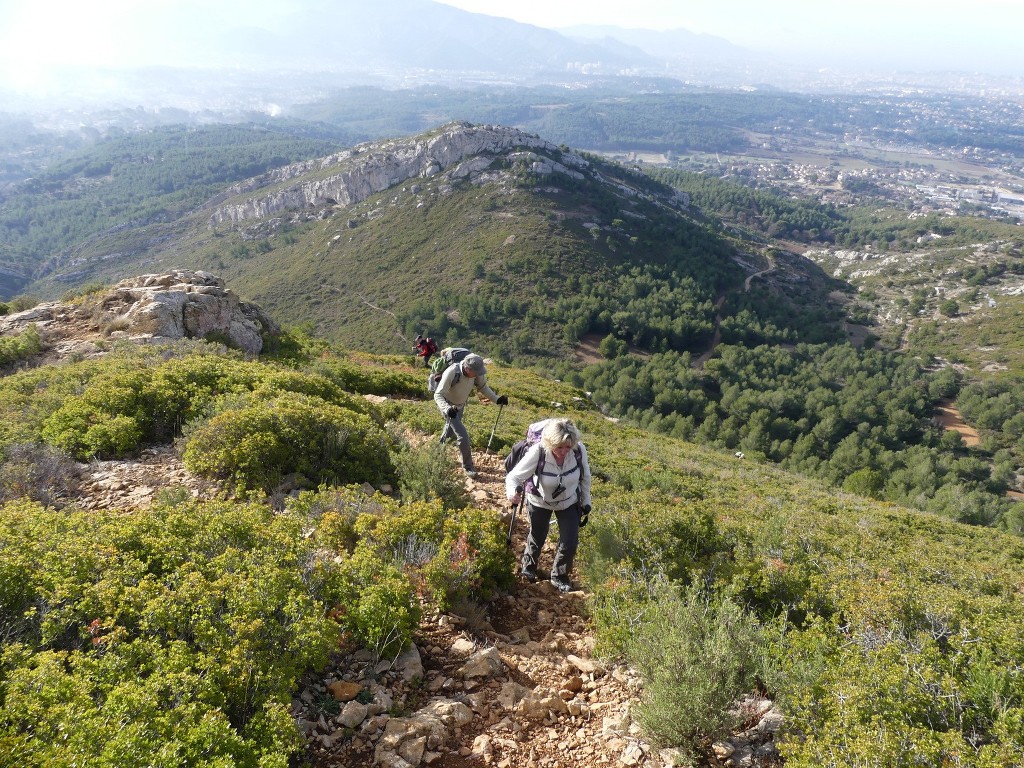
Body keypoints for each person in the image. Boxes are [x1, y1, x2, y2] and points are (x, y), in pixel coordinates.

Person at [506, 418, 592, 593]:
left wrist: (586, 501)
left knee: (570, 541)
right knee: (538, 534)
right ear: (549, 443)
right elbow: (513, 477)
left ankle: (560, 576)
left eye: (567, 447)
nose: (563, 451)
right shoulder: (539, 451)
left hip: (568, 501)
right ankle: (529, 567)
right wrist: (512, 493)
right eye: (559, 447)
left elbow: (585, 478)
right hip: (539, 499)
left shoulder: (578, 450)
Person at [434, 352, 508, 478]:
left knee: (450, 432)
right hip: (448, 406)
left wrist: (497, 399)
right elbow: (438, 395)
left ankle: (435, 454)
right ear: (467, 369)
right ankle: (468, 466)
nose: (479, 374)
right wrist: (447, 409)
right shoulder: (452, 372)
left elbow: (483, 387)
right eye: (476, 372)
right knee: (462, 435)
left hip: (460, 406)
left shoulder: (476, 374)